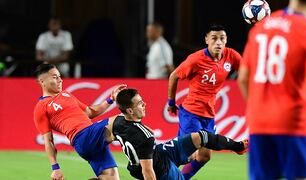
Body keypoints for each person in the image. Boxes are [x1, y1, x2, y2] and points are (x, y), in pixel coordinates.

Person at [237, 0, 306, 179]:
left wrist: (258, 109)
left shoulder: (259, 28)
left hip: (259, 124)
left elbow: (242, 78)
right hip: (293, 124)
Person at [105, 88, 247, 180]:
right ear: (129, 111)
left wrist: (115, 98)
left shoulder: (117, 121)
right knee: (191, 157)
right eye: (140, 104)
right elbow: (148, 171)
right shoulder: (145, 137)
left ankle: (238, 147)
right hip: (162, 172)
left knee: (202, 137)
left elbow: (106, 133)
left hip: (159, 153)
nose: (145, 104)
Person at [167, 24, 242, 179]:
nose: (218, 42)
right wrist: (171, 102)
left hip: (209, 115)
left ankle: (176, 176)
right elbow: (174, 75)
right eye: (214, 38)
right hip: (191, 113)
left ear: (226, 40)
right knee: (189, 152)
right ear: (207, 40)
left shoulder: (231, 56)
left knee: (204, 156)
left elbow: (247, 71)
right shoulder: (196, 59)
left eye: (222, 38)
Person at [33, 63, 126, 180]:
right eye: (55, 77)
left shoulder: (66, 94)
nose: (60, 80)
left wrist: (111, 99)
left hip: (93, 138)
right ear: (42, 81)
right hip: (82, 137)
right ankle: (143, 160)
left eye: (60, 77)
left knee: (111, 178)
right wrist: (55, 167)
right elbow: (48, 141)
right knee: (122, 120)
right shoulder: (41, 107)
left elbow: (90, 112)